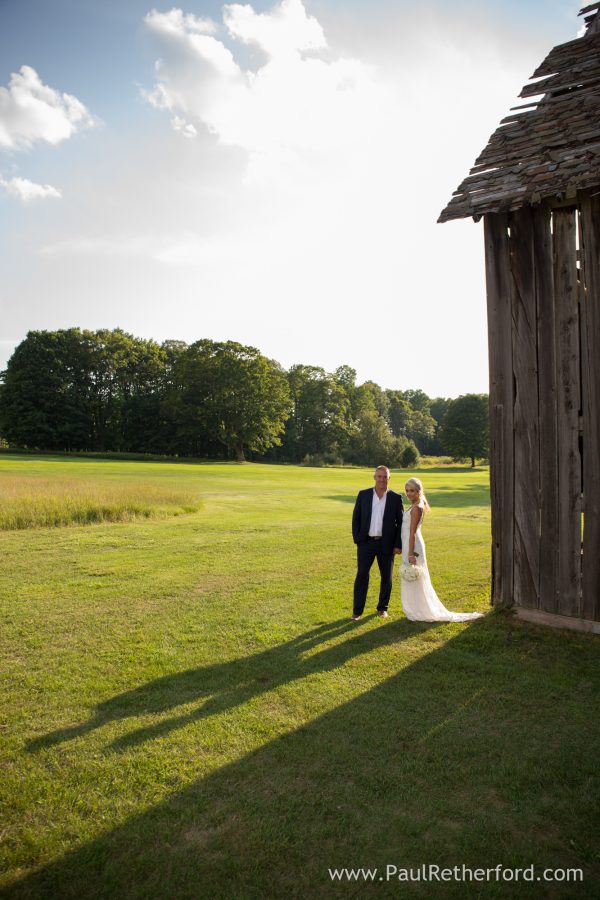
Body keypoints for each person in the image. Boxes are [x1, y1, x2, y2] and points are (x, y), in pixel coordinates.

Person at [400, 477, 483, 622]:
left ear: (419, 491)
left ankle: (421, 609)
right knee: (414, 576)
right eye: (407, 490)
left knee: (416, 575)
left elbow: (412, 532)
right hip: (409, 542)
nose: (409, 493)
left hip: (413, 544)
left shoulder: (417, 507)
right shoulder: (415, 504)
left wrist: (410, 553)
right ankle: (416, 607)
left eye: (412, 491)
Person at [351, 465, 403, 620]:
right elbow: (356, 518)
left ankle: (382, 608)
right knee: (362, 575)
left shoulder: (395, 498)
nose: (382, 479)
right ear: (374, 477)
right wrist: (358, 539)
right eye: (379, 476)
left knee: (386, 577)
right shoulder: (364, 495)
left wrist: (397, 544)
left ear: (389, 478)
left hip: (386, 544)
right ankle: (357, 611)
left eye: (385, 476)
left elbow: (400, 523)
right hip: (366, 543)